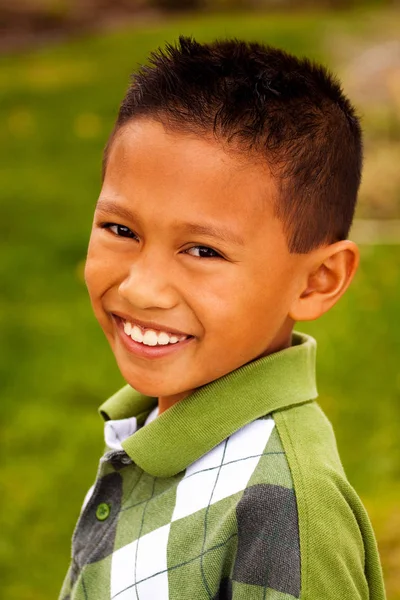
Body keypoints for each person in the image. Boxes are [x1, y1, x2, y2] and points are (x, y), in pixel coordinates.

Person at [60, 37, 386, 600]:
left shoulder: (286, 510)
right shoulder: (150, 426)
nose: (141, 288)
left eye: (203, 251)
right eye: (121, 230)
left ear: (318, 281)